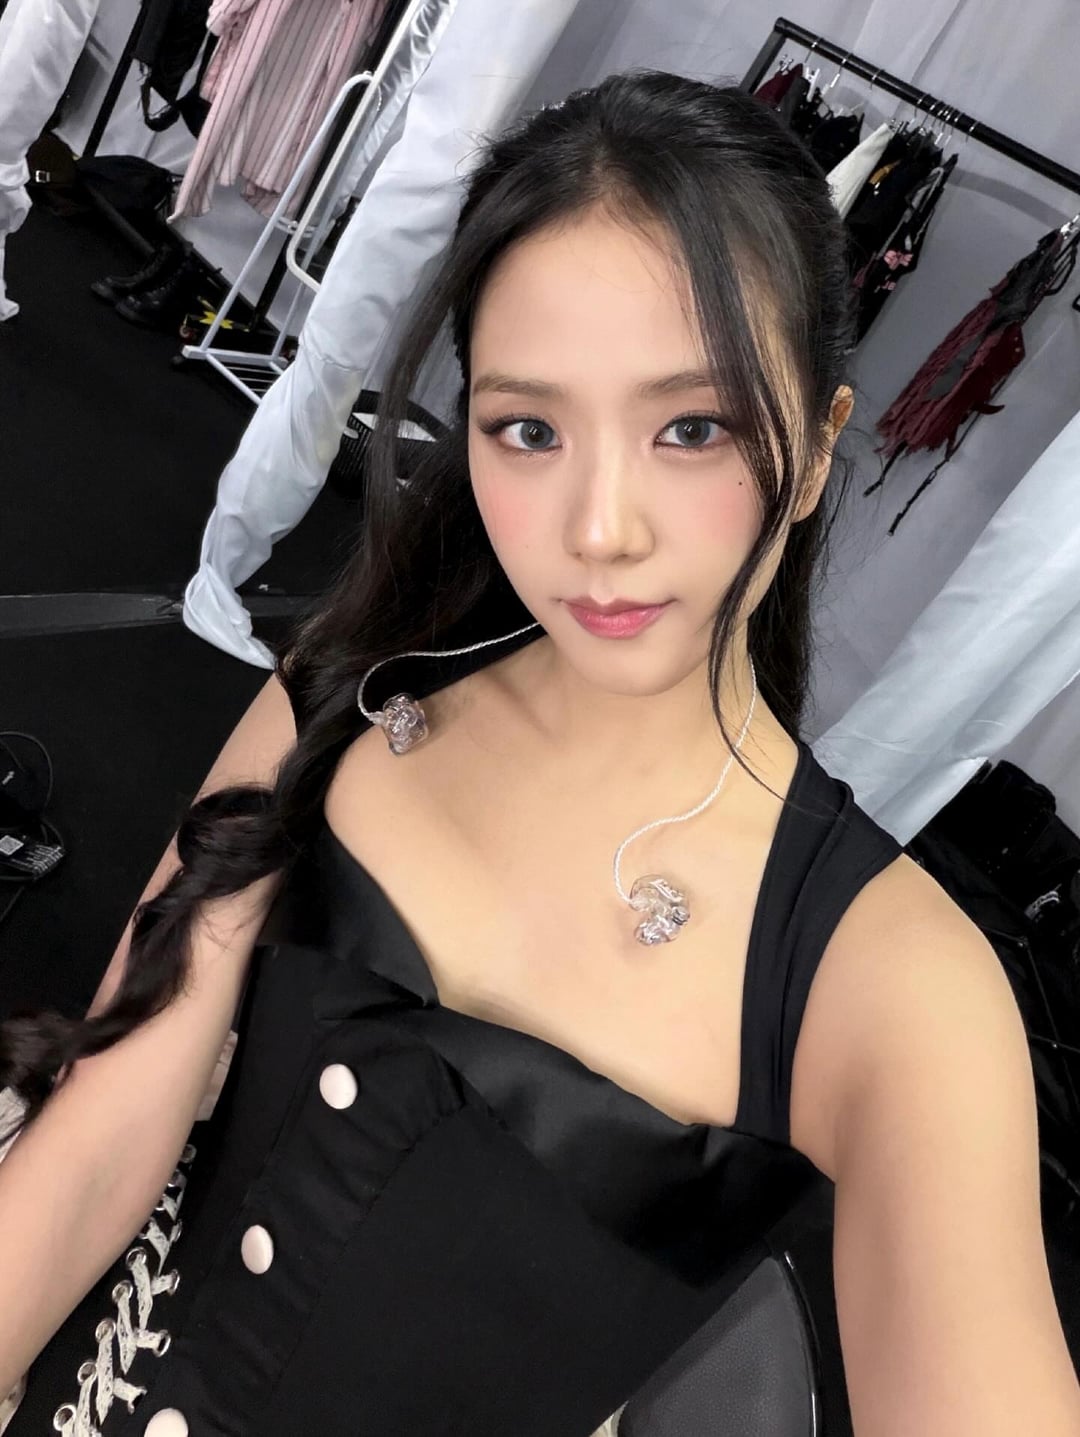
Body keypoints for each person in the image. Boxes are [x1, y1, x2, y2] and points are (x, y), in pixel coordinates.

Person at [1, 69, 1078, 1437]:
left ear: (816, 451)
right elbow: (100, 1138)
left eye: (691, 428)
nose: (598, 527)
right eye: (530, 429)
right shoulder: (351, 687)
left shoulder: (895, 990)